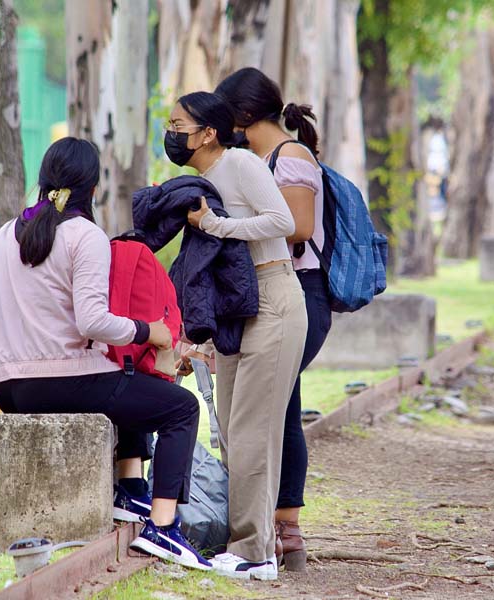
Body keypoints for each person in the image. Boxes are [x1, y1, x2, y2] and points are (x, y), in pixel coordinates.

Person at [0, 137, 207, 570]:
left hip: (6, 387)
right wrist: (150, 331)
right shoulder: (85, 235)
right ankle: (163, 525)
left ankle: (131, 495)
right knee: (180, 407)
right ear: (94, 188)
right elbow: (92, 322)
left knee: (121, 377)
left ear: (43, 180)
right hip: (64, 383)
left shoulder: (4, 235)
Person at [165, 91, 307, 580]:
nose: (172, 132)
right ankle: (246, 542)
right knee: (229, 427)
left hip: (274, 296)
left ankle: (256, 552)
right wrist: (198, 340)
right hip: (234, 309)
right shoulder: (200, 180)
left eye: (179, 124)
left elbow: (283, 221)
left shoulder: (241, 163)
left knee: (252, 432)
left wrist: (216, 224)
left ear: (208, 133)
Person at [214, 67, 330, 572]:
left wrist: (227, 222)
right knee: (274, 411)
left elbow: (298, 226)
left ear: (241, 116)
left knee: (271, 413)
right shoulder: (257, 159)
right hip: (261, 288)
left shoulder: (290, 157)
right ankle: (276, 535)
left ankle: (280, 532)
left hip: (296, 288)